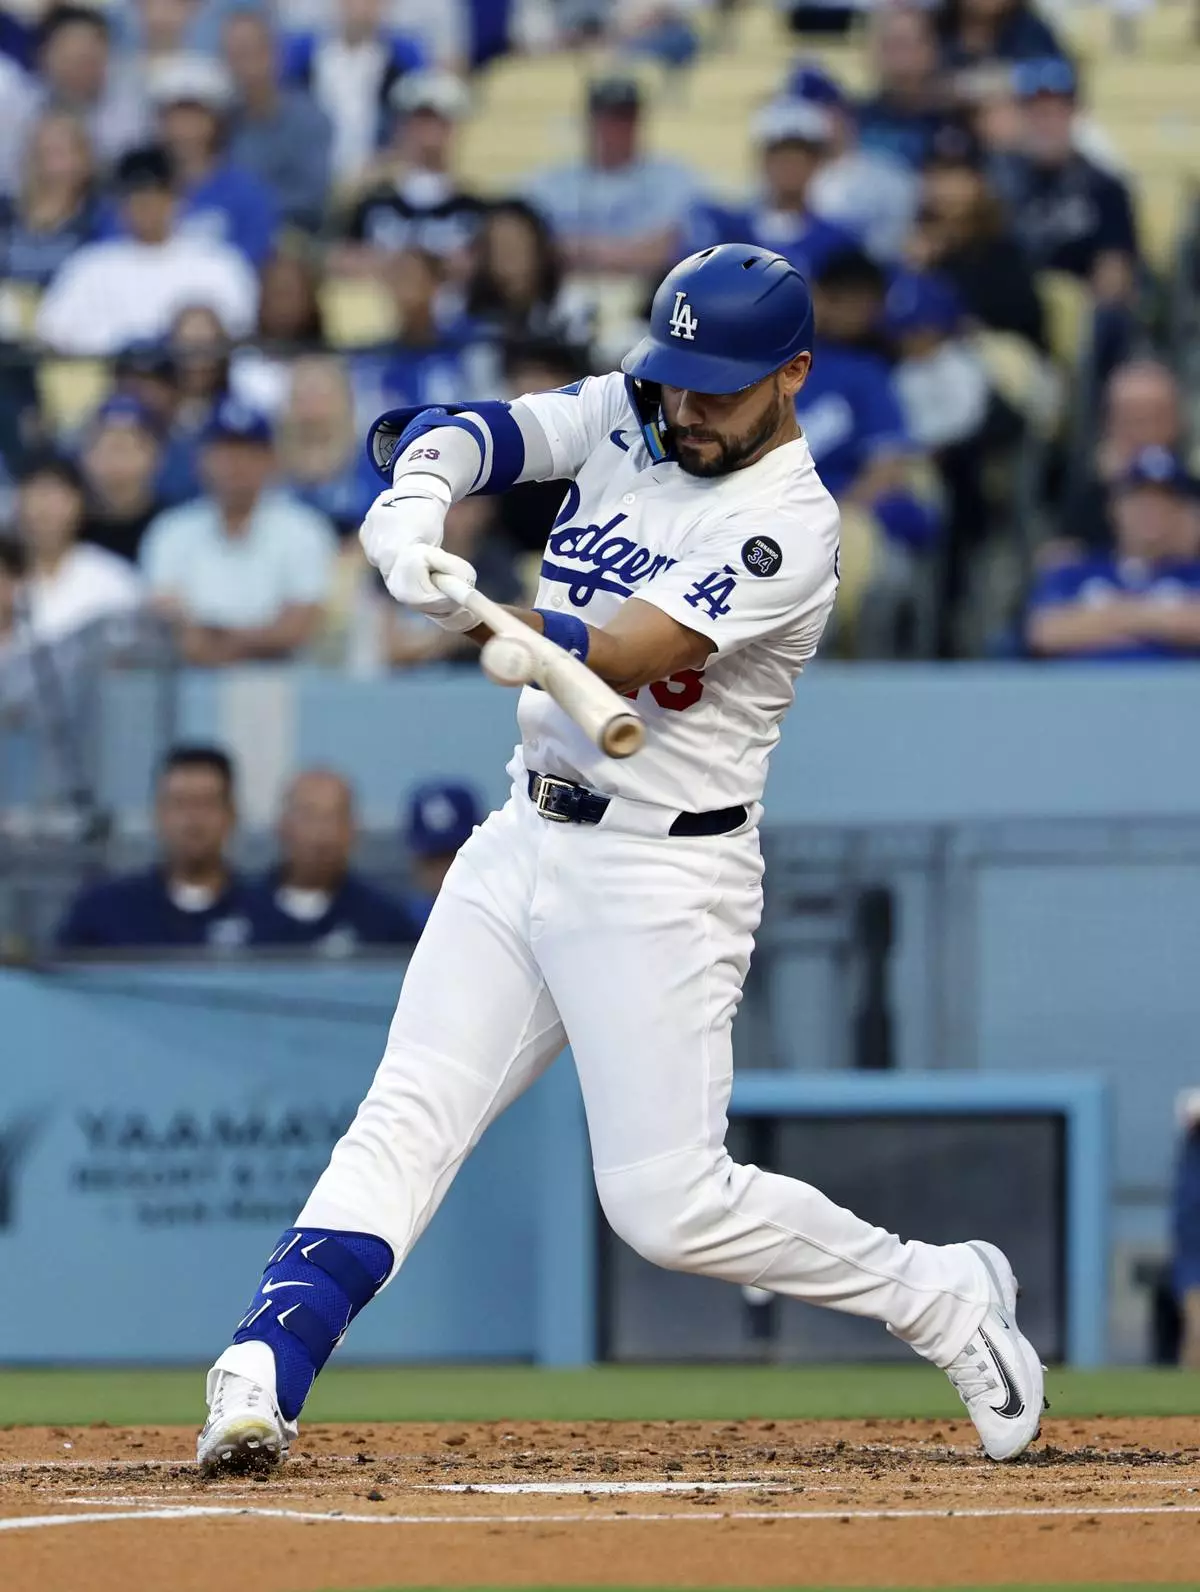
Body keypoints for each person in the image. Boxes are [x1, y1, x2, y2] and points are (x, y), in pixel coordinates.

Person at [197, 243, 1044, 1476]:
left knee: (666, 1205)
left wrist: (479, 606)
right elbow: (475, 431)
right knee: (408, 1114)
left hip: (663, 873)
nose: (686, 407)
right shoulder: (633, 408)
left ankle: (944, 1294)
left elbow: (630, 653)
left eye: (720, 387)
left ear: (793, 376)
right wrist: (417, 501)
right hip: (524, 832)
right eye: (677, 376)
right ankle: (262, 1365)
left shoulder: (790, 523)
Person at [140, 396, 338, 666]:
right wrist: (253, 637)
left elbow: (297, 629)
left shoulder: (304, 529)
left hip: (283, 678)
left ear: (272, 460)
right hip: (191, 680)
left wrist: (217, 639)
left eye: (249, 452)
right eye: (224, 452)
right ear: (201, 459)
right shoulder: (171, 530)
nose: (236, 464)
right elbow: (167, 625)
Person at [35, 144, 258, 356]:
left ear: (177, 199)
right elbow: (51, 333)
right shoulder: (90, 266)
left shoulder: (218, 263)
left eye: (154, 199)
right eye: (136, 202)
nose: (146, 211)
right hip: (109, 378)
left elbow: (238, 331)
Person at [56, 744, 253, 950]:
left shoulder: (265, 916)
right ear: (158, 814)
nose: (193, 820)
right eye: (179, 804)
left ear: (231, 815)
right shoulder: (102, 910)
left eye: (206, 804)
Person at [1026, 446, 1200, 660]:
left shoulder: (1194, 574)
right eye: (1140, 500)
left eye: (1163, 501)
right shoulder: (1076, 569)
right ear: (1115, 507)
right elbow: (1044, 633)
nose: (1151, 511)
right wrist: (1166, 626)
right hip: (1088, 681)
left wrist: (1106, 617)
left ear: (1181, 511)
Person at [989, 58, 1138, 304]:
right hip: (1010, 310)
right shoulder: (994, 184)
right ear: (1019, 116)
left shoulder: (1105, 187)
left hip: (1082, 311)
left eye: (1057, 111)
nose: (1046, 123)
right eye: (1036, 112)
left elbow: (1115, 276)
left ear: (1075, 114)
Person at [524, 72, 702, 277]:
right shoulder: (553, 181)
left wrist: (582, 251)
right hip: (564, 288)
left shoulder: (671, 178)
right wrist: (626, 251)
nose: (616, 128)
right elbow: (530, 243)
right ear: (590, 122)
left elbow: (666, 248)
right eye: (608, 118)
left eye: (626, 118)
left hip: (646, 287)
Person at [685, 98, 859, 282]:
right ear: (764, 160)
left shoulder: (839, 242)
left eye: (801, 158)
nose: (791, 167)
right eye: (781, 157)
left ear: (817, 164)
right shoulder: (726, 231)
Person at [246, 768, 418, 951]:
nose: (322, 833)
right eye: (309, 817)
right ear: (281, 825)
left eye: (335, 818)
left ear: (353, 829)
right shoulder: (240, 911)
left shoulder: (387, 922)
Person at [908, 130, 1045, 350]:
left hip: (1000, 354)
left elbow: (1023, 318)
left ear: (978, 183)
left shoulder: (1000, 246)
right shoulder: (916, 244)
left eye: (957, 176)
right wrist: (916, 268)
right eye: (937, 176)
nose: (946, 188)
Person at [145, 52, 279, 269]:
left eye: (195, 117)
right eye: (175, 117)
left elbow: (252, 259)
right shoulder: (138, 190)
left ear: (217, 122)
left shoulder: (246, 192)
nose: (184, 129)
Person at [336, 69, 482, 268]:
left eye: (438, 121)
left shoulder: (472, 210)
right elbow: (344, 259)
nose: (428, 132)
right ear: (402, 127)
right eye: (420, 121)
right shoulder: (373, 204)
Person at [282, 0, 427, 186]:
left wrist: (386, 162)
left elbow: (416, 123)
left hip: (379, 178)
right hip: (311, 177)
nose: (360, 7)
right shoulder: (302, 54)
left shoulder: (405, 58)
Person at [350, 247, 497, 421]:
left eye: (410, 279)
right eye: (396, 280)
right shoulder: (377, 358)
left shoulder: (465, 345)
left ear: (434, 285)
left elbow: (486, 402)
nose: (403, 291)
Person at [13, 451, 143, 643]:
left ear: (79, 504)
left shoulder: (112, 578)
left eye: (55, 496)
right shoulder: (7, 579)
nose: (43, 508)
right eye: (35, 494)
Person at [223, 10, 333, 234]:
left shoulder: (309, 120)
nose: (242, 65)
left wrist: (248, 209)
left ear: (274, 55)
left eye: (248, 53)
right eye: (233, 56)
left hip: (290, 231)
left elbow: (311, 196)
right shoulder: (221, 121)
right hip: (227, 231)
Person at [1063, 359, 1186, 553]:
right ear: (1110, 425)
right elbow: (1064, 556)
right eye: (1135, 420)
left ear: (1177, 422)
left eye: (1157, 418)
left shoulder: (1193, 495)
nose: (1147, 433)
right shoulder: (1090, 502)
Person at [30, 5, 149, 171]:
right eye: (70, 60)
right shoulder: (23, 108)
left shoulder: (135, 112)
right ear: (44, 56)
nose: (79, 71)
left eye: (88, 60)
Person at [465, 200, 595, 349]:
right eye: (497, 249)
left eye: (516, 247)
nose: (507, 261)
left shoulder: (571, 309)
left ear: (540, 249)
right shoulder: (471, 316)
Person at [276, 355, 380, 537]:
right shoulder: (267, 473)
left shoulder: (377, 472)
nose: (311, 414)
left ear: (347, 405)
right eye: (300, 400)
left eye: (322, 399)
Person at [0, 109, 102, 287]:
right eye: (42, 153)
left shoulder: (101, 221)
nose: (51, 166)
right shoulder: (5, 214)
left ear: (85, 160)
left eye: (61, 153)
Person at [855, 6, 955, 170]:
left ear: (932, 51)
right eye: (892, 46)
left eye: (910, 45)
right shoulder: (854, 122)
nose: (902, 58)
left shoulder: (955, 121)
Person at [79, 395, 166, 565]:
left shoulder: (172, 525)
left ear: (156, 456)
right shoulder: (70, 528)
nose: (116, 461)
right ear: (85, 456)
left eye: (126, 448)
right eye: (106, 447)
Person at [402, 778, 483, 928]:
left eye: (454, 857)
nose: (445, 873)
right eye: (432, 862)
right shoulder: (400, 927)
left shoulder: (511, 919)